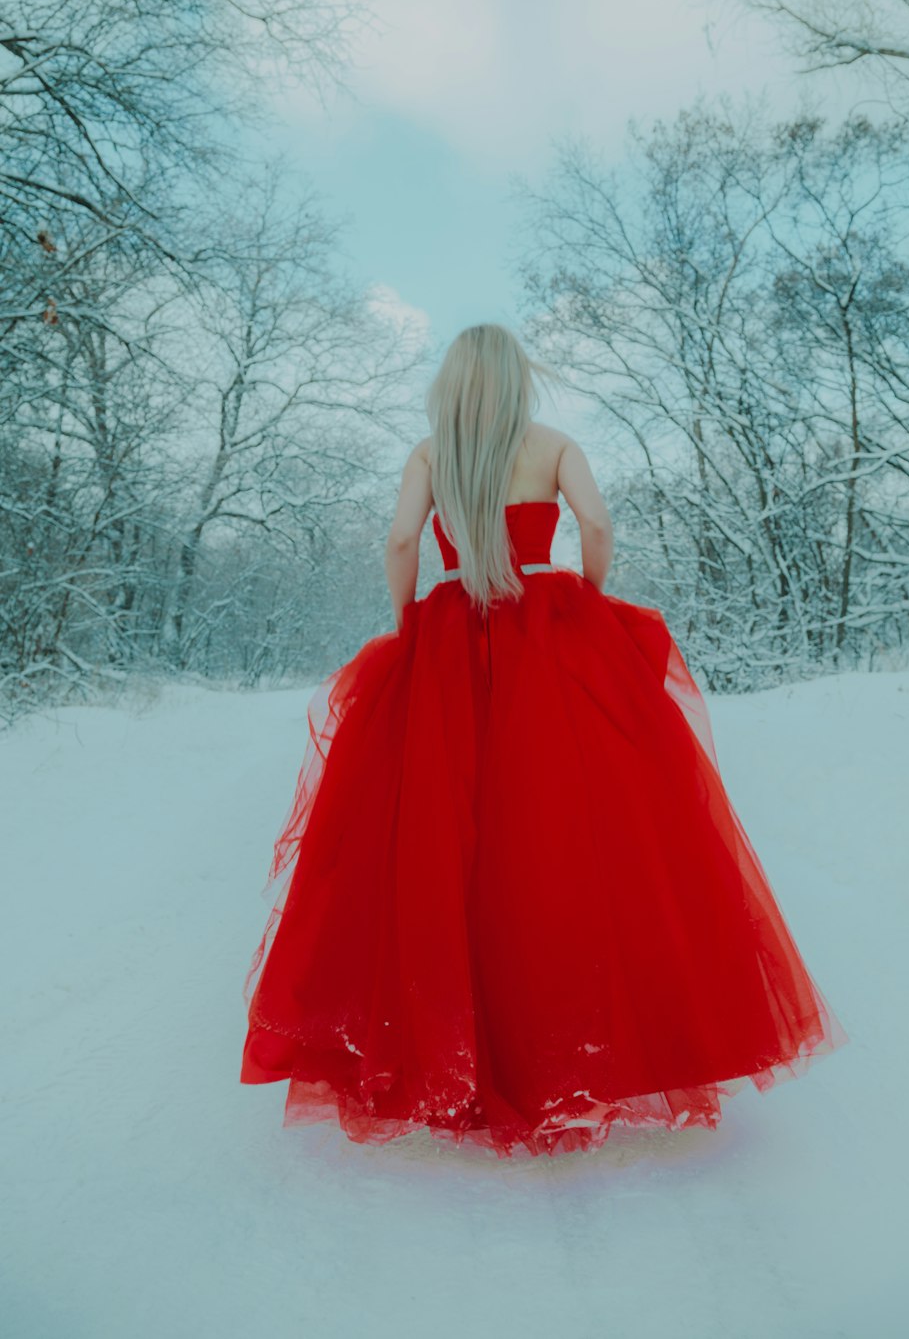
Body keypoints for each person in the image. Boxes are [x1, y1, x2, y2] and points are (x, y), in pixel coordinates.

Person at [240, 322, 847, 1159]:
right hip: (550, 638)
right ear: (519, 380)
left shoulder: (430, 454)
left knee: (438, 842)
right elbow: (597, 526)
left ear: (454, 384)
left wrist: (407, 619)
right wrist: (586, 601)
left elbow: (400, 542)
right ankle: (585, 1040)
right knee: (571, 832)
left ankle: (448, 1050)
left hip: (451, 641)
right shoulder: (554, 444)